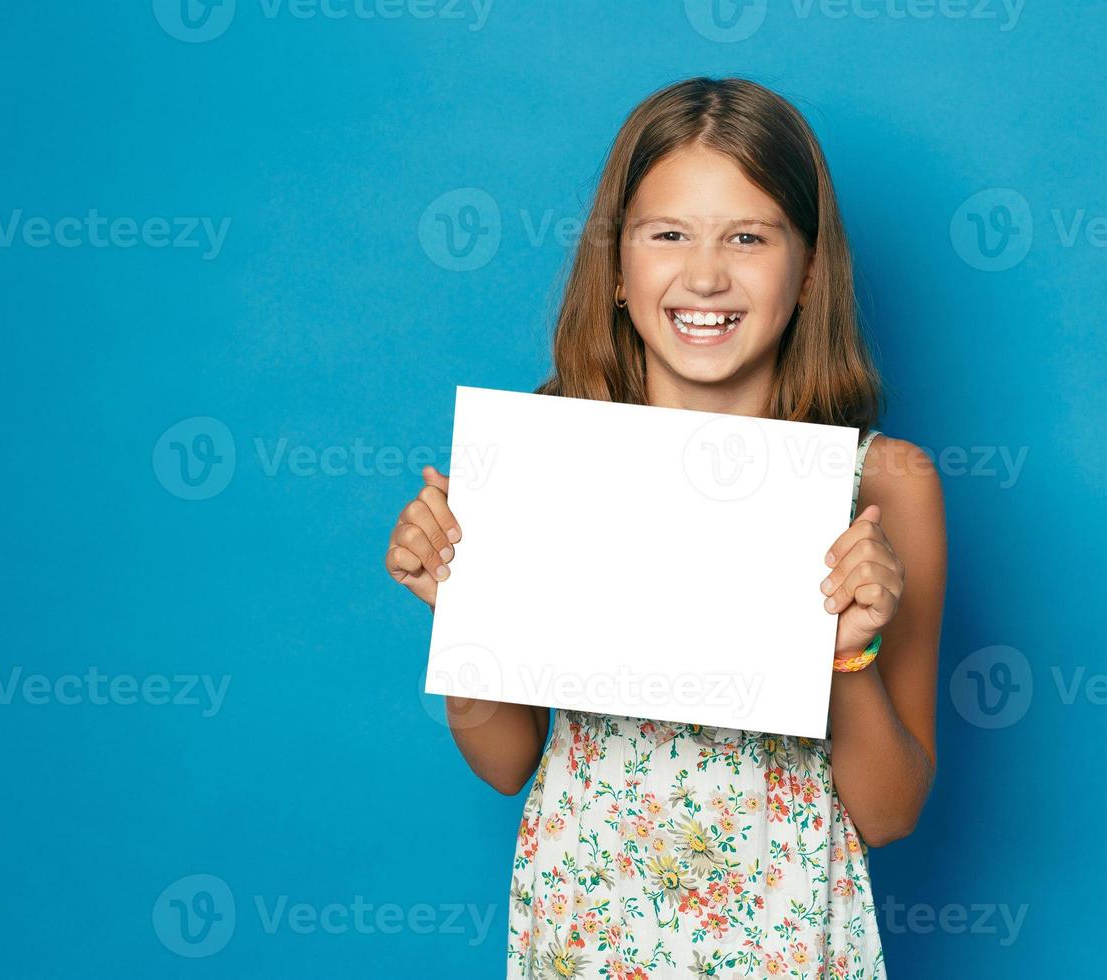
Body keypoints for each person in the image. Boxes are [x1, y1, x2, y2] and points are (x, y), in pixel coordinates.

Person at [385, 76, 945, 980]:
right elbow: (505, 762)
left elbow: (890, 812)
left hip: (790, 944)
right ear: (616, 266)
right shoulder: (545, 453)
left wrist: (844, 654)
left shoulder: (884, 484)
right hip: (586, 935)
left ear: (808, 271)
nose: (706, 275)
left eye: (749, 237)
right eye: (668, 234)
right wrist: (463, 615)